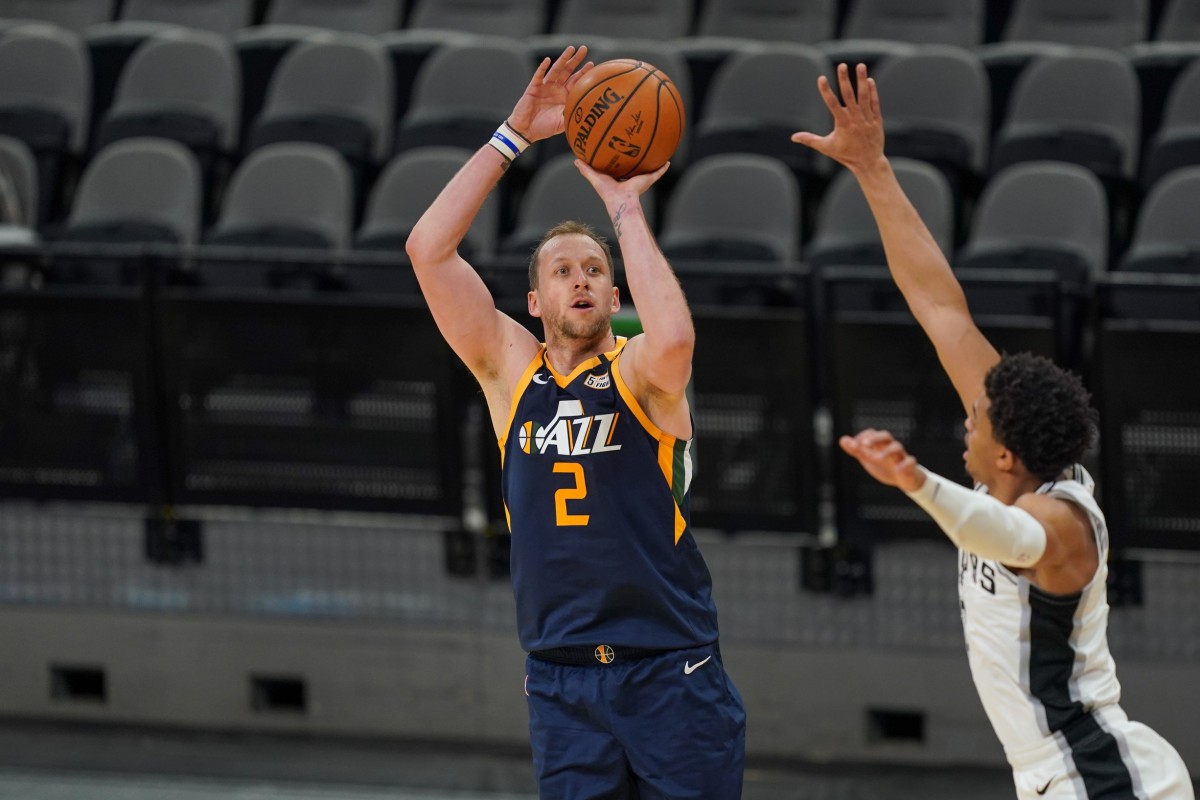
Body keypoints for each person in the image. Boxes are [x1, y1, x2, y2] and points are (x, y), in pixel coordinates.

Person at [793, 63, 1195, 800]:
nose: (964, 421)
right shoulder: (1020, 461)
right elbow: (940, 307)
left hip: (1098, 780)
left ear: (1006, 454)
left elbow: (1000, 537)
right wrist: (874, 170)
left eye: (975, 421)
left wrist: (916, 481)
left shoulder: (1061, 520)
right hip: (1059, 774)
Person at [405, 46, 745, 799]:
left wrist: (624, 208)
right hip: (560, 680)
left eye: (593, 268)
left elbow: (678, 339)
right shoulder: (508, 371)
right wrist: (514, 137)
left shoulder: (638, 372)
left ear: (615, 290)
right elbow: (428, 251)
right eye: (561, 270)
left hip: (669, 669)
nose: (579, 278)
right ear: (534, 304)